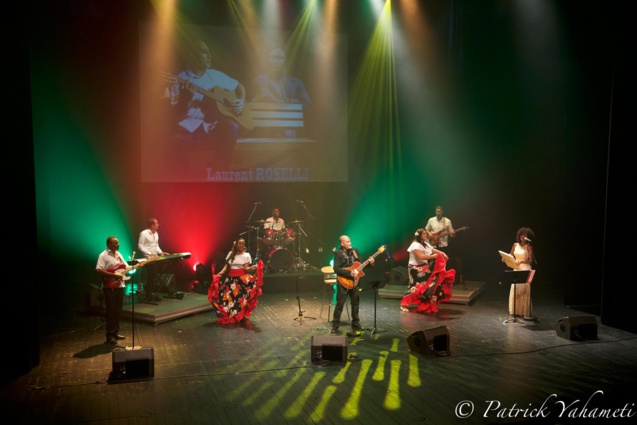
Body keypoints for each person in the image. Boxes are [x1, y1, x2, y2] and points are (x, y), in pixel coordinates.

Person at [169, 39, 248, 170]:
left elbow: (240, 86)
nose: (210, 56)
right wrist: (185, 98)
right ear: (193, 55)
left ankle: (221, 170)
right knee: (173, 143)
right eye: (205, 52)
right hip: (190, 126)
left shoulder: (216, 75)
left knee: (232, 126)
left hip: (212, 126)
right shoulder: (180, 78)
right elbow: (174, 112)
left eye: (209, 52)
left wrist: (242, 100)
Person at [208, 239, 264, 324]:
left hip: (240, 280)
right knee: (228, 300)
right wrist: (220, 273)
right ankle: (231, 316)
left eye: (243, 244)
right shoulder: (231, 254)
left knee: (239, 300)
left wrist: (252, 268)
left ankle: (239, 317)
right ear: (236, 244)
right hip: (230, 280)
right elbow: (227, 266)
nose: (241, 245)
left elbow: (246, 268)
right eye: (240, 243)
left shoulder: (246, 255)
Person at [401, 228, 456, 313]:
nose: (426, 235)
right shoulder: (415, 244)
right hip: (414, 269)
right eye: (424, 234)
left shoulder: (425, 244)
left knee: (433, 283)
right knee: (415, 287)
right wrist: (434, 256)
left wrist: (442, 253)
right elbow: (421, 257)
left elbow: (433, 250)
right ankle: (404, 304)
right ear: (419, 236)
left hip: (424, 268)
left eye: (426, 234)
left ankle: (427, 302)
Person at [331, 235, 374, 336]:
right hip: (343, 281)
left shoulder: (354, 251)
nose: (350, 243)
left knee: (355, 303)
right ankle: (335, 326)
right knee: (340, 304)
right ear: (342, 244)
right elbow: (336, 269)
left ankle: (356, 324)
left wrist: (370, 263)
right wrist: (349, 273)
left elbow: (361, 264)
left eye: (350, 241)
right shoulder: (338, 253)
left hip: (354, 281)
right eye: (347, 242)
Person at [95, 236, 127, 345]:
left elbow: (125, 268)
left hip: (119, 285)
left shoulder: (119, 255)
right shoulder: (103, 255)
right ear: (109, 244)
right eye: (115, 243)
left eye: (118, 242)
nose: (118, 244)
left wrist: (136, 266)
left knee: (118, 311)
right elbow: (99, 270)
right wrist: (114, 275)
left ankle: (115, 333)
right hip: (110, 287)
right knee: (111, 311)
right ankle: (109, 336)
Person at [425, 205, 463, 281]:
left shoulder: (447, 221)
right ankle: (433, 279)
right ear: (435, 212)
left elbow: (452, 234)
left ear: (442, 212)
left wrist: (453, 234)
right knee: (433, 263)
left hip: (443, 245)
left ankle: (444, 279)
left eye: (439, 211)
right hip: (433, 245)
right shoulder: (431, 220)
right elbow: (426, 230)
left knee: (444, 263)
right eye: (437, 211)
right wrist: (430, 235)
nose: (438, 213)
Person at [507, 227, 536, 319]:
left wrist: (521, 262)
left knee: (523, 290)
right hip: (516, 268)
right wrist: (505, 258)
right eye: (521, 234)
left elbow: (530, 261)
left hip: (525, 269)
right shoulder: (515, 245)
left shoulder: (529, 247)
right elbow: (510, 255)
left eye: (525, 235)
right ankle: (515, 310)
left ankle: (523, 310)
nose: (522, 236)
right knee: (516, 289)